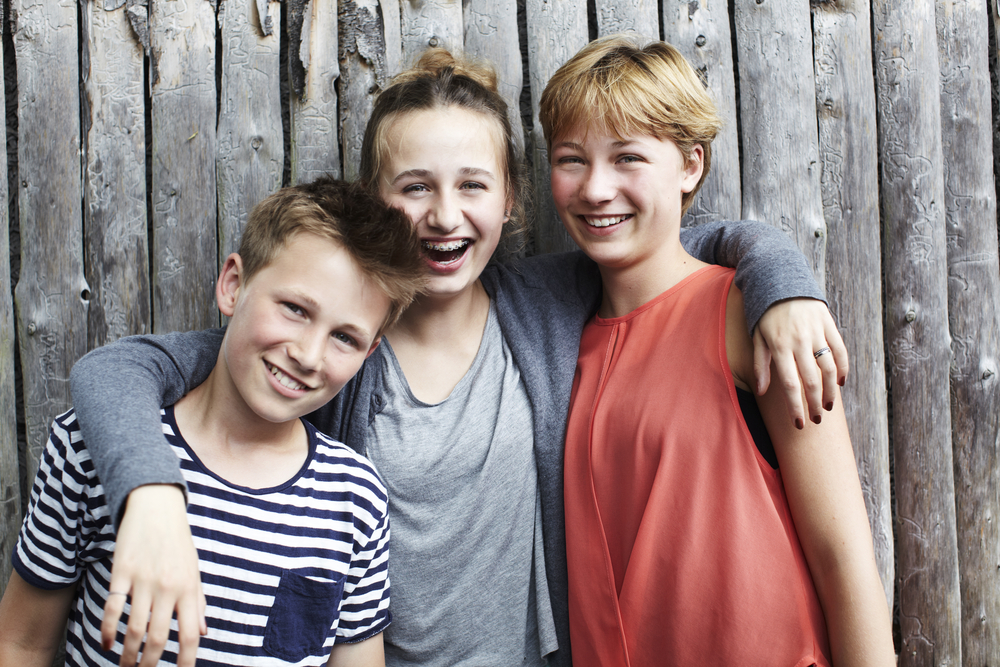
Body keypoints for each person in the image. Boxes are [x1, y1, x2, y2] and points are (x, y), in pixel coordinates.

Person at [66, 48, 848, 667]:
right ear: (376, 199)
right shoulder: (334, 345)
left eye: (473, 184)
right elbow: (116, 370)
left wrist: (783, 281)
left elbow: (689, 242)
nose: (444, 215)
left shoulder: (550, 299)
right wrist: (151, 493)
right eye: (414, 187)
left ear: (511, 201)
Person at [542, 35, 895, 666]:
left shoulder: (749, 317)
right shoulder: (555, 343)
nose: (595, 189)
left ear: (690, 166)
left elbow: (844, 556)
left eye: (627, 158)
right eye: (572, 159)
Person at [0, 178, 427, 667]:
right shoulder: (89, 445)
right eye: (294, 309)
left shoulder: (355, 499)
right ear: (233, 285)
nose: (309, 356)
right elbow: (22, 643)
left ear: (370, 352)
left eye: (345, 338)